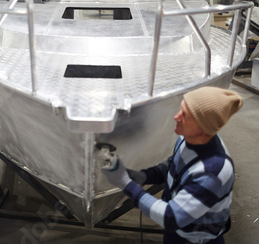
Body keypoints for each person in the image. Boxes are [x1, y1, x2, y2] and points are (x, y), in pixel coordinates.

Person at [99, 86, 244, 244]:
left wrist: (125, 183)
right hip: (178, 230)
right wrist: (143, 176)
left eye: (185, 115)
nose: (176, 117)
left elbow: (171, 217)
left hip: (195, 239)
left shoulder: (212, 171)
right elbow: (173, 165)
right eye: (180, 110)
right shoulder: (186, 138)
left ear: (203, 128)